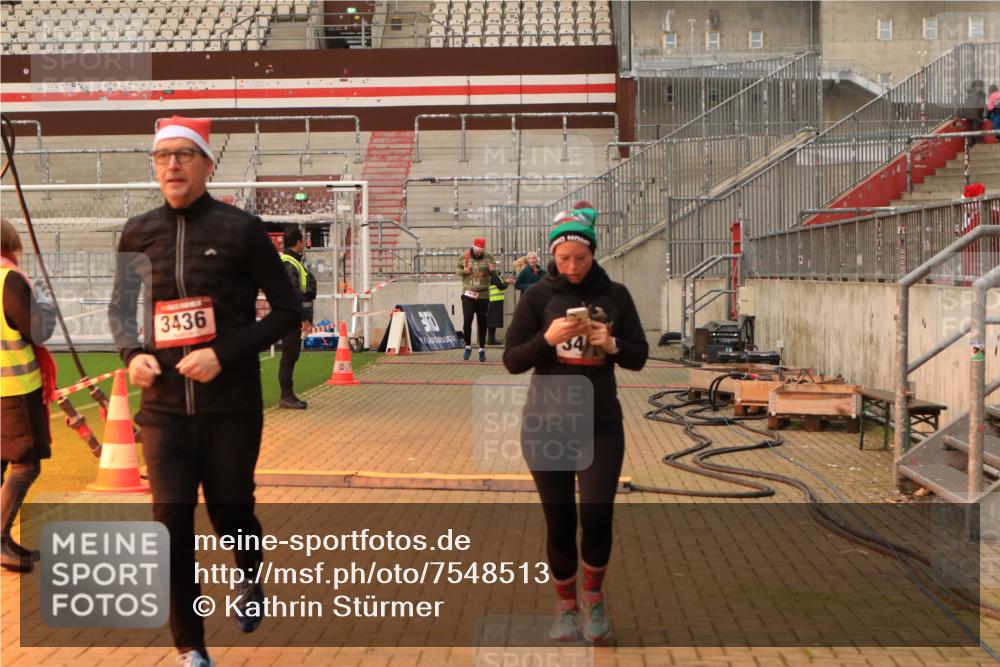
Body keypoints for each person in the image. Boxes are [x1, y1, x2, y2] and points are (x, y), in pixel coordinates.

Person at [108, 116, 300, 667]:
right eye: (163, 156)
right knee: (170, 526)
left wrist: (224, 353)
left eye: (184, 155)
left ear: (207, 164)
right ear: (154, 165)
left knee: (231, 514)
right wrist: (133, 354)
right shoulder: (137, 231)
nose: (172, 164)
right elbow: (120, 312)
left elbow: (287, 311)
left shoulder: (241, 229)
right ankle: (191, 648)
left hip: (230, 408)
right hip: (164, 413)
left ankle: (248, 575)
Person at [503, 202, 648, 643]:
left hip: (600, 424)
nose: (571, 267)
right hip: (547, 425)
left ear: (593, 254)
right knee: (560, 521)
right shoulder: (538, 297)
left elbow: (640, 357)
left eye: (580, 259)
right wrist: (546, 340)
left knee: (598, 515)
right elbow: (511, 360)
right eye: (563, 259)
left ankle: (595, 599)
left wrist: (614, 343)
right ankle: (566, 607)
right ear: (553, 255)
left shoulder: (616, 296)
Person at [0, 219, 56, 573]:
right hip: (14, 389)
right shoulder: (9, 279)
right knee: (25, 463)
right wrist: (45, 303)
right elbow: (39, 329)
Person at [277, 227, 317, 410]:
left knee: (292, 355)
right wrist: (301, 318)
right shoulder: (289, 263)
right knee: (289, 355)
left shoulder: (292, 262)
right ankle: (286, 396)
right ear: (299, 242)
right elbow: (293, 294)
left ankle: (288, 394)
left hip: (293, 316)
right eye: (303, 240)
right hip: (290, 317)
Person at [456, 237, 494, 361]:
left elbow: (496, 273)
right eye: (477, 251)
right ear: (473, 248)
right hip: (468, 293)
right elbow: (457, 270)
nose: (479, 253)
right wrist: (464, 271)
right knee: (468, 319)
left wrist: (493, 270)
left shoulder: (488, 257)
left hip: (483, 294)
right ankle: (467, 347)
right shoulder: (464, 256)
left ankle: (482, 349)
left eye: (481, 251)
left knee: (482, 322)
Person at [486, 267, 512, 346]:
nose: (495, 266)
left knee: (491, 321)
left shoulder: (490, 275)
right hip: (495, 300)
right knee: (493, 321)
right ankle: (491, 340)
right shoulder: (494, 275)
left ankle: (491, 340)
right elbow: (501, 286)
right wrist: (507, 282)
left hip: (491, 300)